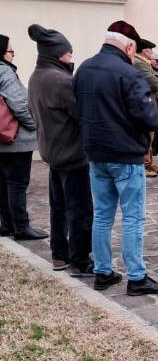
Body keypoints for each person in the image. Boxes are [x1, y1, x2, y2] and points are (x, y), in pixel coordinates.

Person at [74, 20, 158, 295]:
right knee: (132, 217)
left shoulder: (84, 68)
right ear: (128, 46)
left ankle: (102, 271)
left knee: (102, 215)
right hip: (125, 155)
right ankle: (137, 277)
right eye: (134, 50)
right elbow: (148, 118)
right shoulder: (129, 73)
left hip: (95, 153)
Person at [27, 24, 93, 275]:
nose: (71, 56)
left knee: (59, 207)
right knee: (80, 210)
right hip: (72, 154)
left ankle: (59, 255)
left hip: (52, 152)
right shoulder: (60, 80)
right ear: (58, 54)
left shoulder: (37, 77)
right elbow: (80, 114)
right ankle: (79, 260)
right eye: (69, 52)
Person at [0, 34, 47, 241]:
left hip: (2, 139)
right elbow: (19, 104)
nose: (12, 55)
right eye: (11, 51)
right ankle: (21, 226)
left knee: (3, 182)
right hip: (15, 140)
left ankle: (7, 224)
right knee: (17, 183)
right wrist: (35, 125)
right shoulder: (5, 72)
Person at [135, 39, 158, 177]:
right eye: (150, 50)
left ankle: (149, 162)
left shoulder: (143, 62)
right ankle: (145, 164)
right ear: (145, 51)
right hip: (146, 102)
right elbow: (152, 80)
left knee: (150, 135)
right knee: (146, 135)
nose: (152, 53)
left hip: (151, 101)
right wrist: (157, 83)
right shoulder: (140, 63)